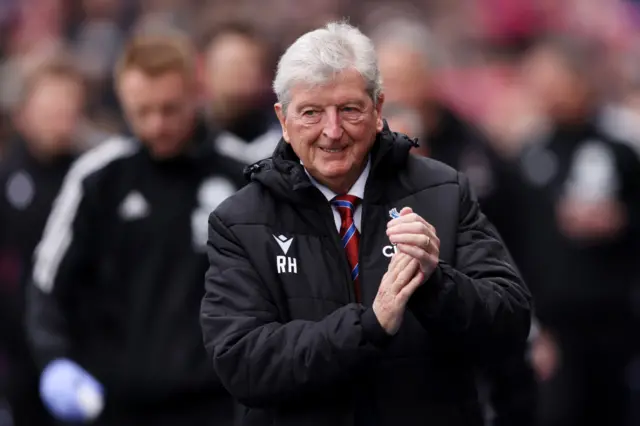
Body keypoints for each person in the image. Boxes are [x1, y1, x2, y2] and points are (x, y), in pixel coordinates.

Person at [200, 21, 532, 426]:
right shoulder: (240, 221)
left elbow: (511, 325)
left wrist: (436, 285)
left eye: (350, 109)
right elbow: (243, 364)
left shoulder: (443, 190)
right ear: (283, 120)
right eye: (311, 113)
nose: (333, 131)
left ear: (378, 110)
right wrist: (368, 327)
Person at [26, 33, 245, 426]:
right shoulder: (97, 179)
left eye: (169, 109)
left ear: (197, 92)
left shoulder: (241, 175)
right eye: (142, 111)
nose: (156, 124)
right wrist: (55, 361)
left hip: (216, 404)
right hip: (115, 406)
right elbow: (46, 286)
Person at [512, 34, 640, 426]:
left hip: (616, 319)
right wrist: (529, 322)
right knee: (559, 411)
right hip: (553, 323)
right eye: (540, 83)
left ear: (581, 80)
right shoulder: (528, 154)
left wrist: (621, 220)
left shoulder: (621, 147)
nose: (548, 92)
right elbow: (515, 241)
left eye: (556, 80)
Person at [0, 57, 87, 426]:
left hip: (85, 346)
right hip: (18, 355)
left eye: (69, 109)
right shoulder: (6, 181)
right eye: (50, 108)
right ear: (23, 114)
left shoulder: (94, 177)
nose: (61, 119)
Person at [201, 22, 281, 165]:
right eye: (230, 65)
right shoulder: (192, 144)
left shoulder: (284, 139)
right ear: (206, 73)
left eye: (247, 64)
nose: (238, 74)